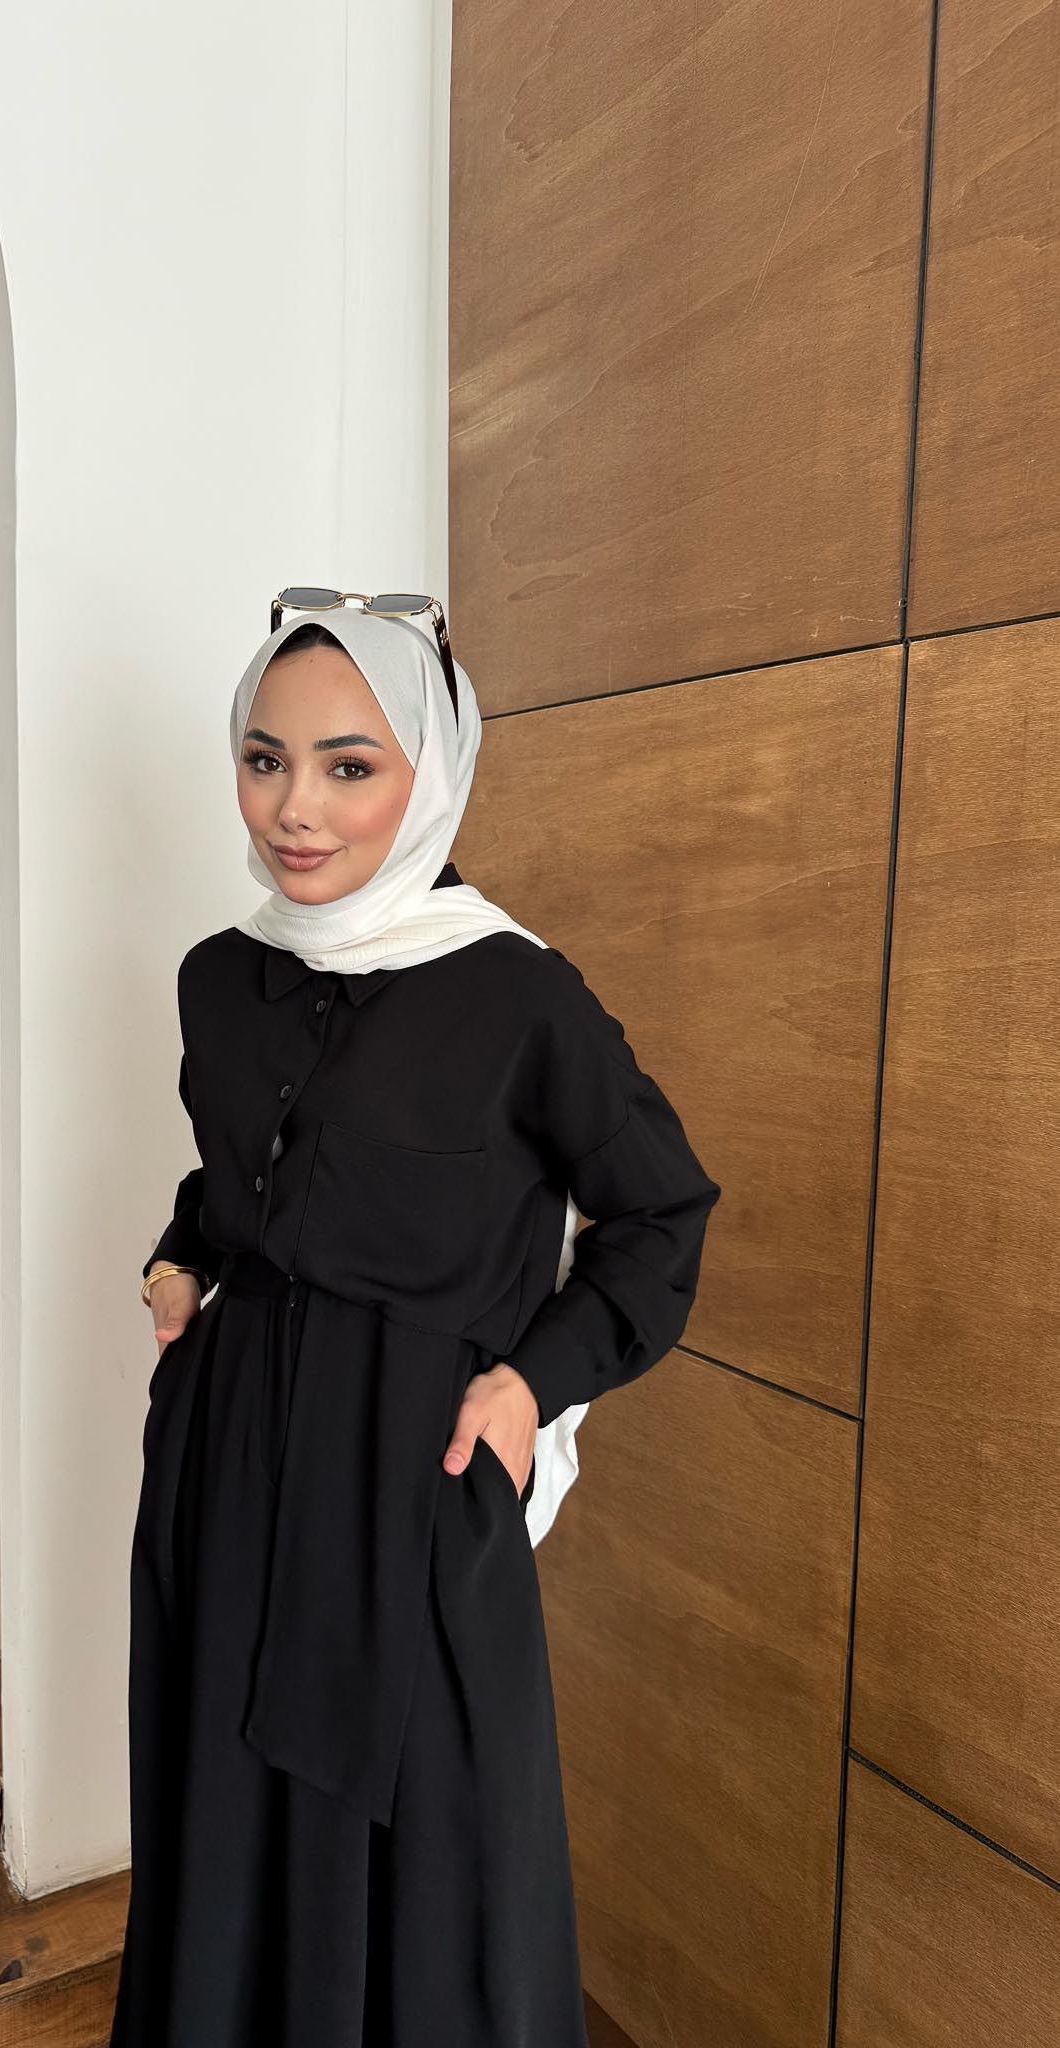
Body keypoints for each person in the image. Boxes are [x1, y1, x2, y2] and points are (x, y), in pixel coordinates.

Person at [108, 597, 721, 2048]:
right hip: (224, 1462)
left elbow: (660, 1213)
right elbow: (240, 1178)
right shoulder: (220, 976)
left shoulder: (517, 995)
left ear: (428, 772)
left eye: (348, 766)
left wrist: (530, 1386)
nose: (295, 810)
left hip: (411, 1476)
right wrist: (179, 1257)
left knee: (436, 1849)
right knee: (222, 1808)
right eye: (265, 760)